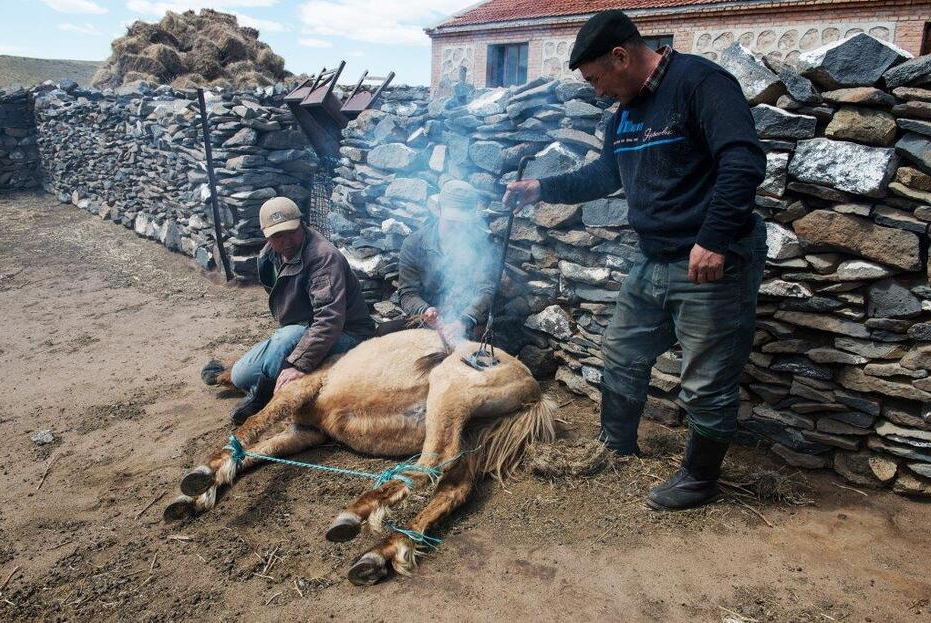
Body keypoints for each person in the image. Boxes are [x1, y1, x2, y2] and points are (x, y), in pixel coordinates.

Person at [503, 10, 768, 511]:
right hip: (654, 258)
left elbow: (743, 160)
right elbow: (606, 173)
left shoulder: (702, 83)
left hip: (713, 258)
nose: (597, 91)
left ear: (621, 56)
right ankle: (616, 442)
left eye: (596, 78)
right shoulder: (624, 112)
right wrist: (543, 187)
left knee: (707, 377)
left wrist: (713, 238)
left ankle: (699, 479)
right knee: (622, 351)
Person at [202, 197, 375, 425]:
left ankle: (262, 399)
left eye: (291, 232)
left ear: (301, 224)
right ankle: (236, 372)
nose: (286, 241)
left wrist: (297, 364)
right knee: (241, 376)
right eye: (277, 236)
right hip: (302, 328)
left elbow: (329, 319)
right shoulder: (269, 255)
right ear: (267, 235)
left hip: (347, 332)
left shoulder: (323, 258)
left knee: (287, 338)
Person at [380, 180, 495, 344]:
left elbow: (486, 291)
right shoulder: (414, 243)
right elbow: (408, 293)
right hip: (429, 320)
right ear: (439, 210)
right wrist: (425, 311)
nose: (456, 227)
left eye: (461, 222)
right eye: (451, 221)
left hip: (465, 321)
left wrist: (463, 321)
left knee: (481, 345)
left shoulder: (482, 245)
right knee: (384, 333)